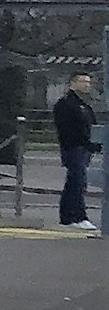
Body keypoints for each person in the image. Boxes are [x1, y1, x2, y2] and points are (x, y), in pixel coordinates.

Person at [57, 74, 97, 234]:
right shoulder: (66, 104)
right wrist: (84, 142)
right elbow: (67, 129)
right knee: (78, 181)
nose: (87, 85)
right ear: (72, 83)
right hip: (74, 148)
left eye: (89, 82)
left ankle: (67, 217)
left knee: (74, 182)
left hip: (83, 149)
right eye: (83, 82)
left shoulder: (84, 104)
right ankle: (78, 217)